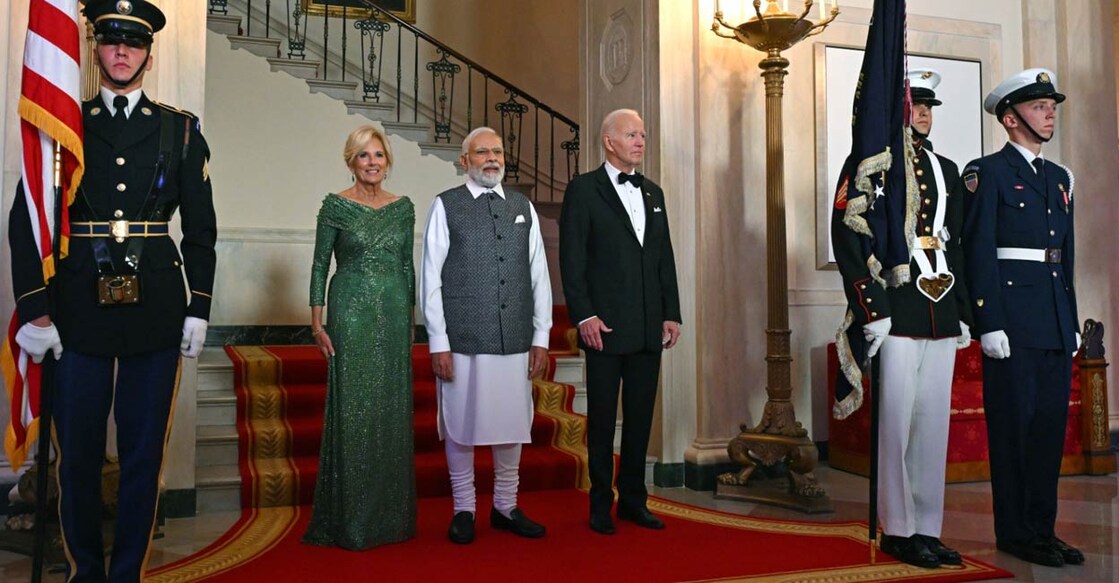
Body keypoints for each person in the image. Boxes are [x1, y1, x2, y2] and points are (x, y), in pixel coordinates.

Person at [7, 1, 215, 579]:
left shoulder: (179, 129)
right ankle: (86, 572)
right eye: (111, 40)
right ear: (94, 48)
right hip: (76, 311)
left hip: (156, 308)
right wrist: (35, 309)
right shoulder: (63, 124)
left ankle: (126, 572)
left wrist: (199, 306)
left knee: (143, 457)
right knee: (75, 456)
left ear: (149, 54)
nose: (122, 51)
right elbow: (26, 220)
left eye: (134, 42)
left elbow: (201, 229)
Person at [831, 69, 971, 568]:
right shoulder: (875, 164)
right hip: (897, 306)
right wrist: (871, 308)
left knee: (933, 425)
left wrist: (962, 312)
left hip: (940, 305)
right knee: (896, 424)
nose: (924, 114)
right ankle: (898, 527)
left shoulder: (948, 169)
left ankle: (928, 527)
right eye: (916, 106)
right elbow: (848, 233)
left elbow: (958, 243)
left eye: (929, 107)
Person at [961, 68, 1084, 568]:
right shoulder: (986, 172)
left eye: (1051, 107)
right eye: (1038, 107)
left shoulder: (1059, 178)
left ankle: (1043, 529)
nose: (1050, 114)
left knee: (1048, 430)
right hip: (1011, 321)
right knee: (1013, 430)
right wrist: (987, 321)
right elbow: (977, 251)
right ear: (1010, 118)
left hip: (1052, 318)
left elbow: (1064, 255)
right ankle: (1015, 532)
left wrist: (1070, 318)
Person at [420, 127, 552, 544]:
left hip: (514, 335)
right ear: (465, 161)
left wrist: (542, 335)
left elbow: (539, 273)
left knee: (512, 423)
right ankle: (464, 508)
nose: (492, 158)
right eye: (482, 152)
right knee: (460, 423)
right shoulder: (446, 205)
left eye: (497, 151)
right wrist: (438, 341)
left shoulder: (522, 206)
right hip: (462, 336)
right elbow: (430, 278)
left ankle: (505, 506)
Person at [559, 109, 681, 535]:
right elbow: (572, 259)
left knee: (641, 418)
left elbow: (664, 257)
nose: (640, 141)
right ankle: (599, 504)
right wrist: (584, 315)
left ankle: (633, 501)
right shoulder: (583, 190)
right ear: (609, 141)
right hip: (604, 327)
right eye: (632, 135)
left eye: (643, 135)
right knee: (602, 420)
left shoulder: (653, 192)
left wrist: (671, 313)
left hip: (648, 326)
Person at [303, 125, 417, 549]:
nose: (372, 162)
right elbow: (320, 266)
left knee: (391, 408)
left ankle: (391, 518)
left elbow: (407, 267)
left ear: (388, 161)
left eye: (379, 155)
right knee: (355, 409)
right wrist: (317, 325)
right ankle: (350, 519)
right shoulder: (335, 206)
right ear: (351, 161)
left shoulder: (403, 208)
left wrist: (410, 320)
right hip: (350, 312)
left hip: (394, 311)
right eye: (364, 155)